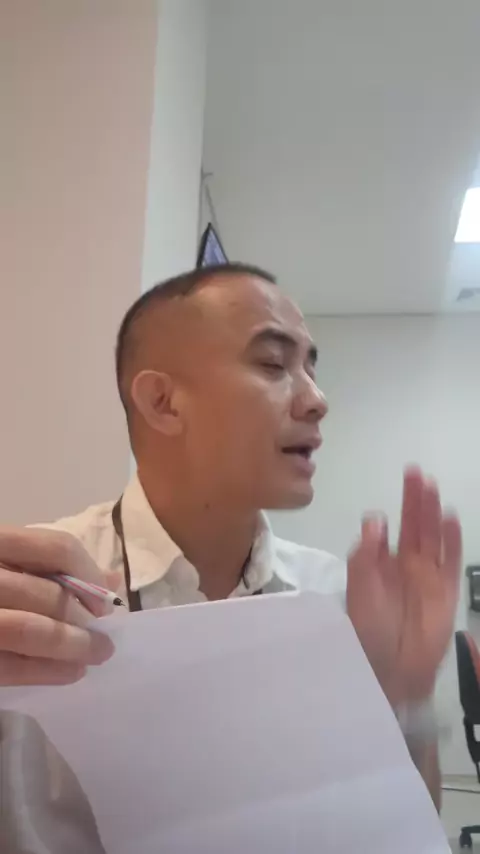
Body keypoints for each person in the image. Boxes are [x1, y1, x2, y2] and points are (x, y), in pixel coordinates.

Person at [0, 264, 461, 811]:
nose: (318, 399)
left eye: (311, 368)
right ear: (162, 402)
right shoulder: (28, 597)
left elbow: (405, 830)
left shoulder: (339, 604)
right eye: (273, 364)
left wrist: (405, 695)